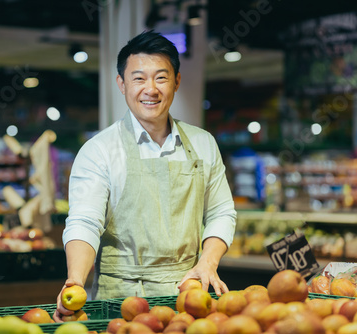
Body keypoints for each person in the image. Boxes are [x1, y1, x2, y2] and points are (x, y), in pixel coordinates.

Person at [53, 30, 236, 322]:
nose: (150, 89)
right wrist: (75, 279)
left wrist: (208, 262)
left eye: (161, 78)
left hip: (189, 297)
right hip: (122, 302)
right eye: (139, 78)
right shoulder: (99, 150)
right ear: (121, 84)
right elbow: (85, 222)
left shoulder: (203, 143)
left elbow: (221, 212)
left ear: (176, 82)